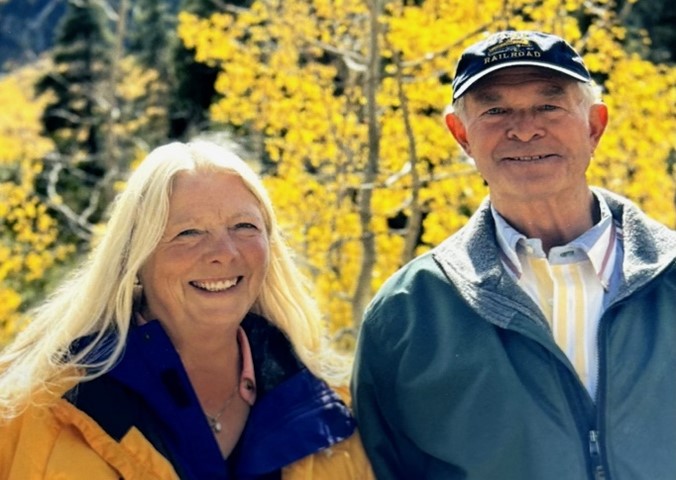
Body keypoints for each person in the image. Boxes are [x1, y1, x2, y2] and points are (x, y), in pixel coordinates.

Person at [351, 30, 676, 479]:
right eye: (495, 110)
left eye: (549, 106)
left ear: (594, 126)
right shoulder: (406, 315)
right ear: (462, 135)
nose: (524, 128)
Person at [0, 141, 374, 480]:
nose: (224, 253)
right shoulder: (40, 410)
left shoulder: (333, 412)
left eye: (244, 226)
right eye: (188, 233)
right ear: (134, 258)